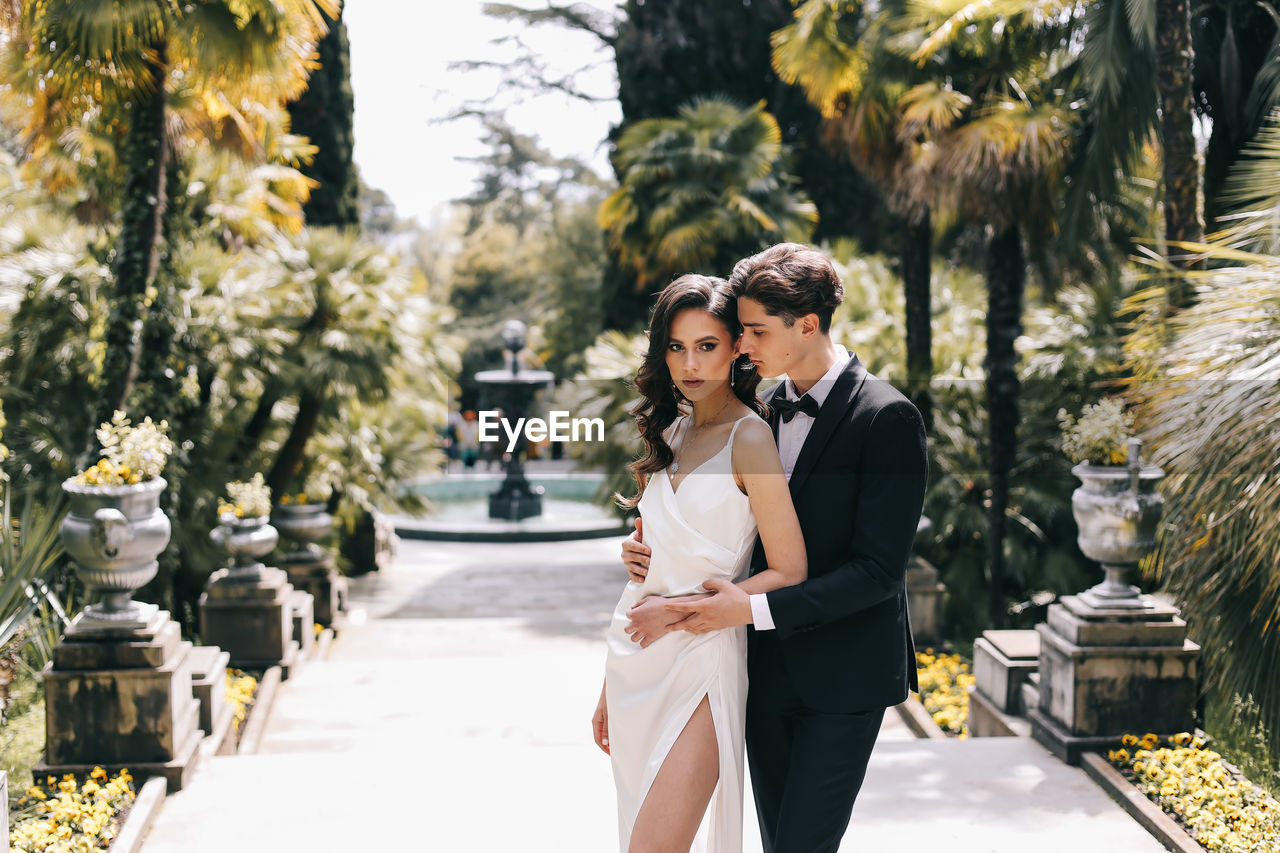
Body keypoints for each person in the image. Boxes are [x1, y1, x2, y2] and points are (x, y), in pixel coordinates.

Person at [623, 243, 929, 853]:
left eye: (756, 331)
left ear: (807, 325)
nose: (743, 346)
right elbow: (729, 528)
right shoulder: (757, 411)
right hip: (759, 672)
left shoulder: (887, 418)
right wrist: (650, 548)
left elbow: (877, 573)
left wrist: (749, 609)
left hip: (844, 679)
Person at [592, 273, 809, 853]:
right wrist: (610, 685)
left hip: (703, 661)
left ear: (737, 347)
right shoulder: (672, 430)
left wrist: (677, 613)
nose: (690, 364)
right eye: (676, 347)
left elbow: (789, 570)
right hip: (638, 658)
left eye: (706, 346)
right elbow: (658, 564)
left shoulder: (751, 439)